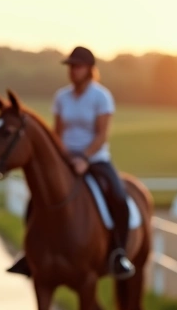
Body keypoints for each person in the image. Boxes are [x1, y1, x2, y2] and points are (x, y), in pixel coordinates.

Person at [7, 46, 135, 280]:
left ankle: (118, 254)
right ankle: (30, 254)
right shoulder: (62, 97)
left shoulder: (101, 96)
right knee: (35, 201)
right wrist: (63, 158)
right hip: (65, 159)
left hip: (95, 159)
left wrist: (84, 158)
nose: (72, 71)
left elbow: (101, 135)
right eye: (70, 66)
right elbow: (58, 133)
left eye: (77, 66)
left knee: (118, 197)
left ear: (89, 69)